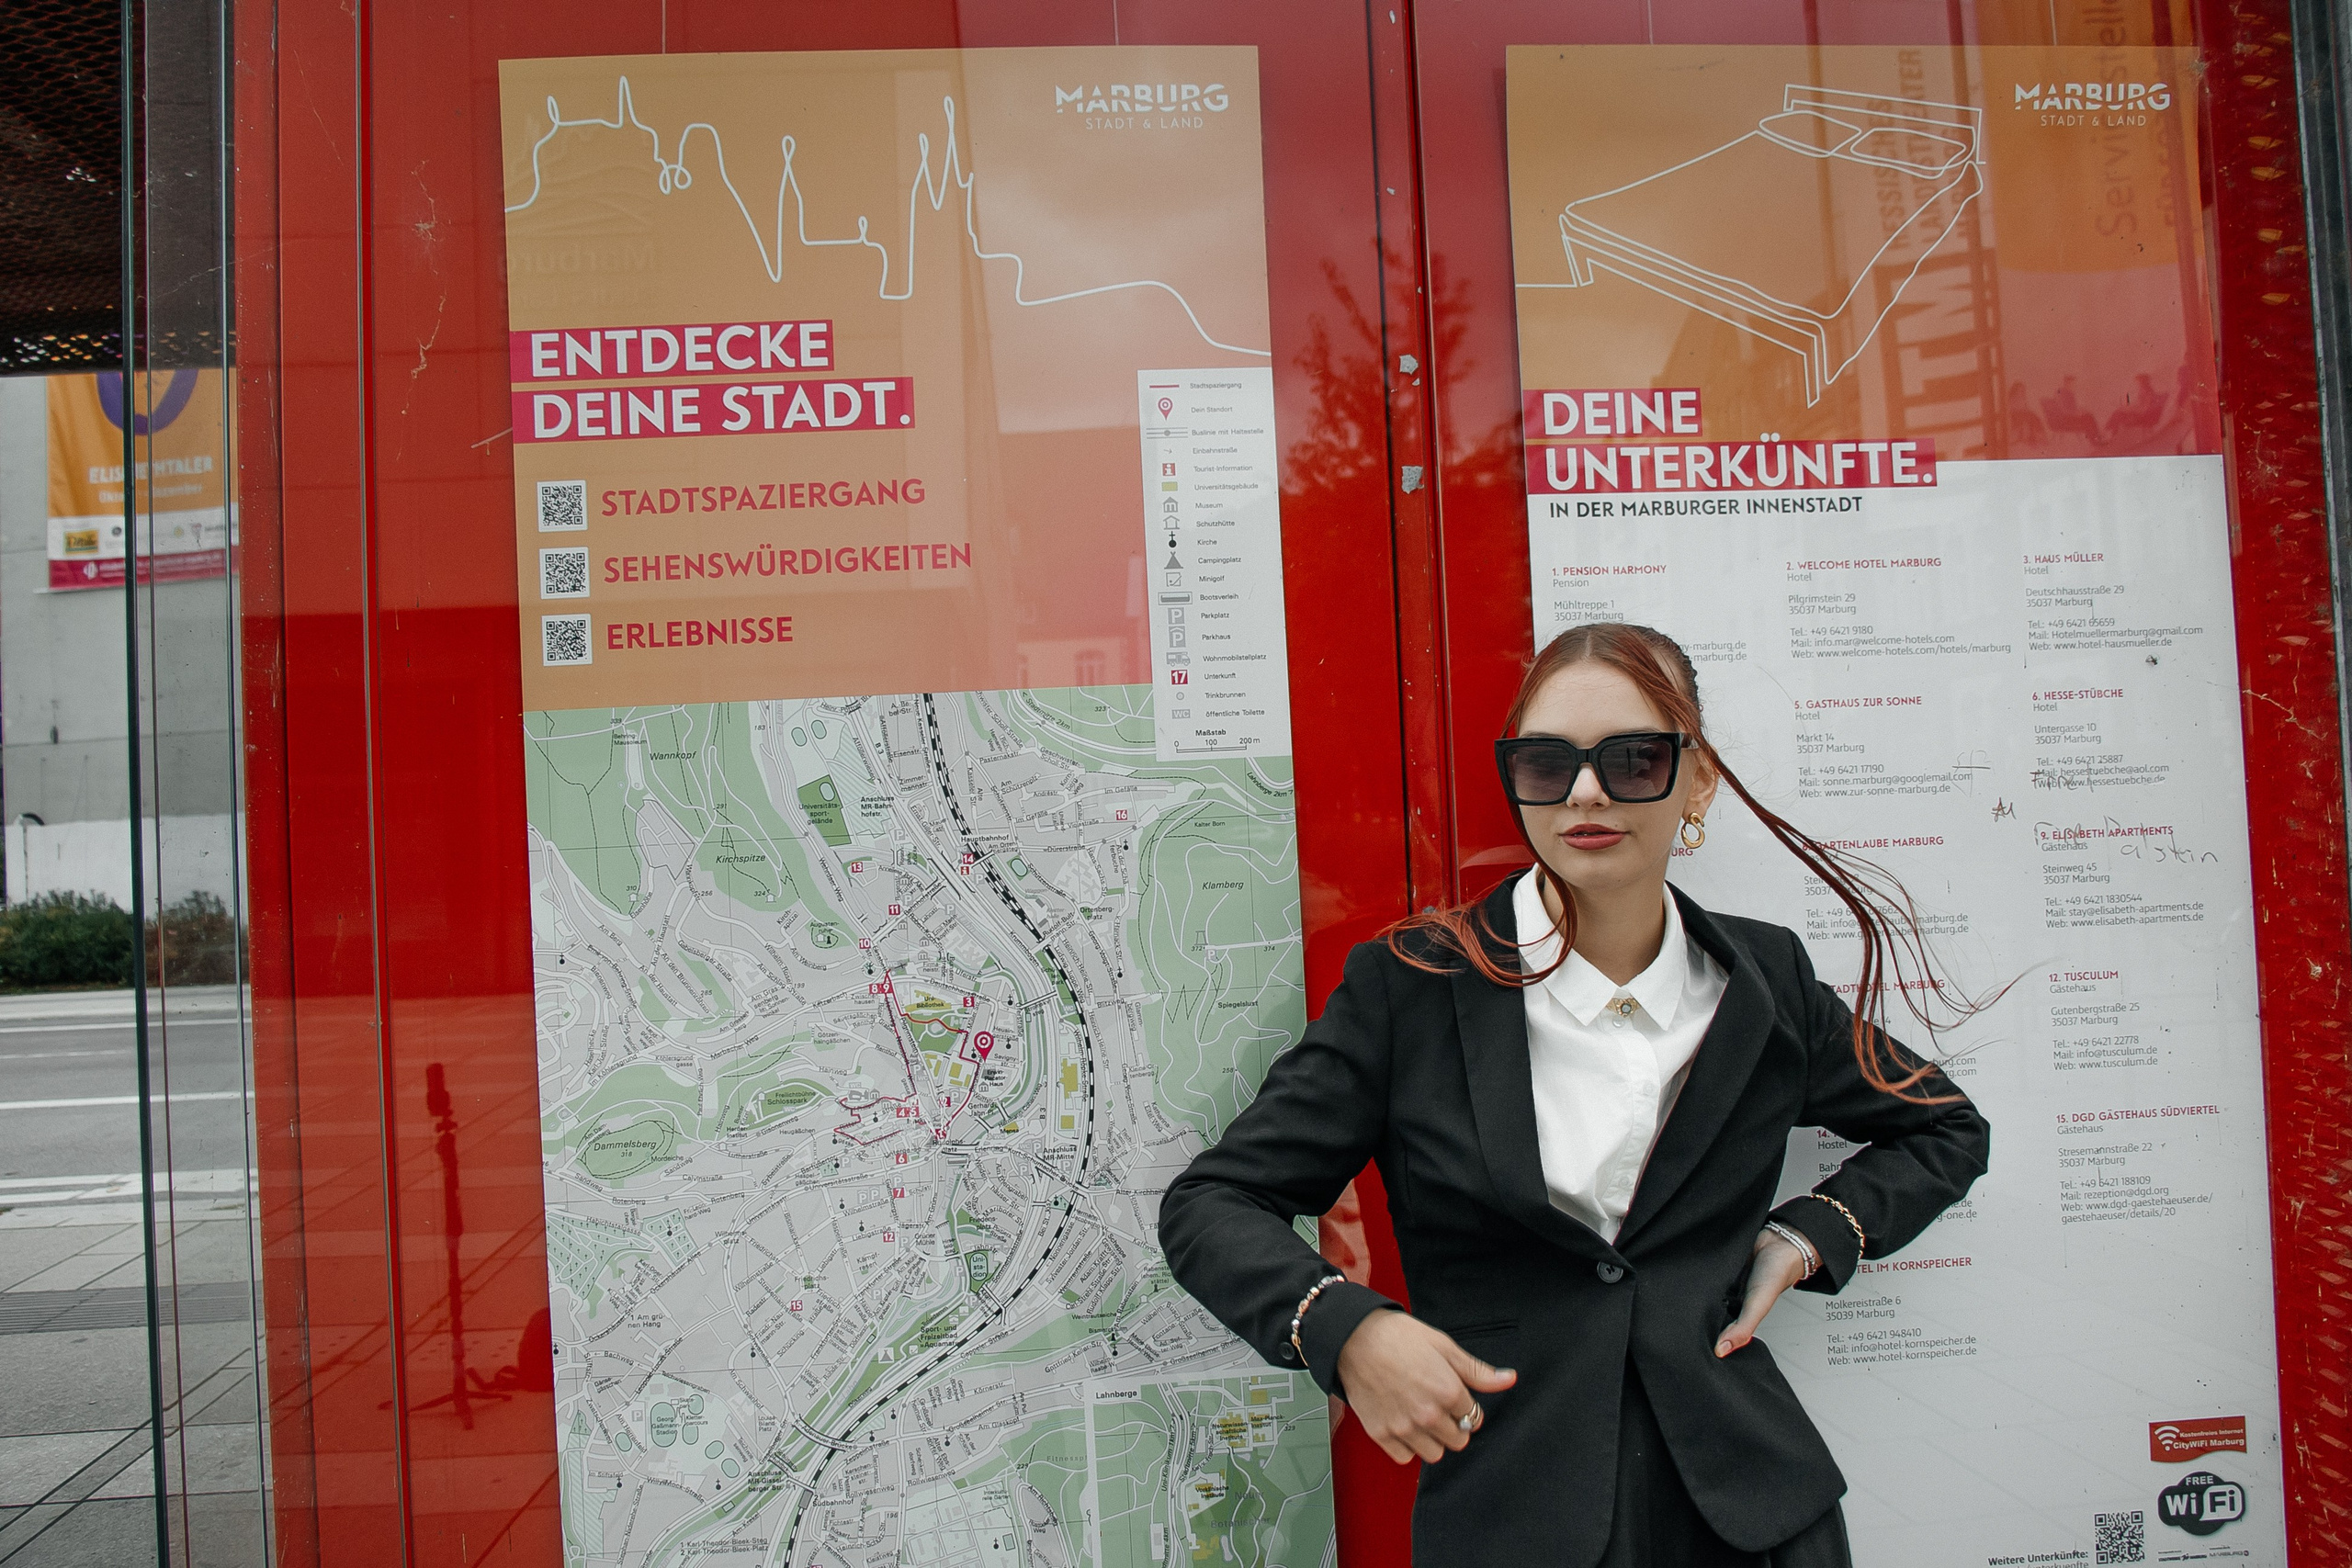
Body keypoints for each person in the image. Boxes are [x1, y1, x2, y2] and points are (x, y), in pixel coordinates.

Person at [1158, 622, 1992, 1568]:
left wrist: (1808, 1236)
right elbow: (1211, 1204)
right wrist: (1347, 1329)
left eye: (1633, 758)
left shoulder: (1762, 982)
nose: (1586, 792)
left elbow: (1944, 1128)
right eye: (1547, 763)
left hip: (1753, 1516)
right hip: (1516, 1514)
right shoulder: (1413, 990)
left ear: (1699, 777)